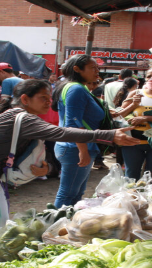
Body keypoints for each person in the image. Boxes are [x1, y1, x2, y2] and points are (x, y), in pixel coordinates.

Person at [0, 79, 139, 229]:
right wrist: (109, 135)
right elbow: (61, 133)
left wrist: (48, 168)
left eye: (49, 97)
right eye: (43, 98)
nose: (48, 102)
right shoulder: (21, 117)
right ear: (25, 99)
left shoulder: (17, 116)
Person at [52, 54, 109, 207]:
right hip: (75, 147)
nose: (97, 71)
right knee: (68, 194)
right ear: (77, 69)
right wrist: (82, 150)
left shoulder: (76, 87)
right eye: (92, 68)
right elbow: (73, 123)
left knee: (76, 193)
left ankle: (70, 223)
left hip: (75, 146)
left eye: (97, 67)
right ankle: (56, 225)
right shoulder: (76, 89)